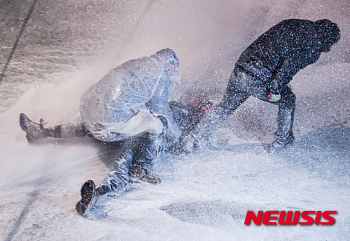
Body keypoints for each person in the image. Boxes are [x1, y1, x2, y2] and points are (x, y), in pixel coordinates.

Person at [20, 48, 183, 216]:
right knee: (155, 126)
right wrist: (176, 134)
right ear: (170, 66)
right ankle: (138, 169)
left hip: (90, 114)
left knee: (89, 126)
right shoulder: (160, 74)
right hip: (111, 128)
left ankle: (42, 131)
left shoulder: (137, 63)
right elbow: (161, 110)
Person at [180, 19, 341, 153]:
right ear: (327, 38)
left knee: (225, 107)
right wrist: (275, 89)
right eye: (331, 44)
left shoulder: (295, 24)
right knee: (288, 101)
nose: (328, 49)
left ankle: (194, 139)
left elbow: (277, 50)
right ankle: (282, 141)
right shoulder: (314, 45)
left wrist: (284, 81)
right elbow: (289, 65)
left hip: (242, 67)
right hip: (259, 76)